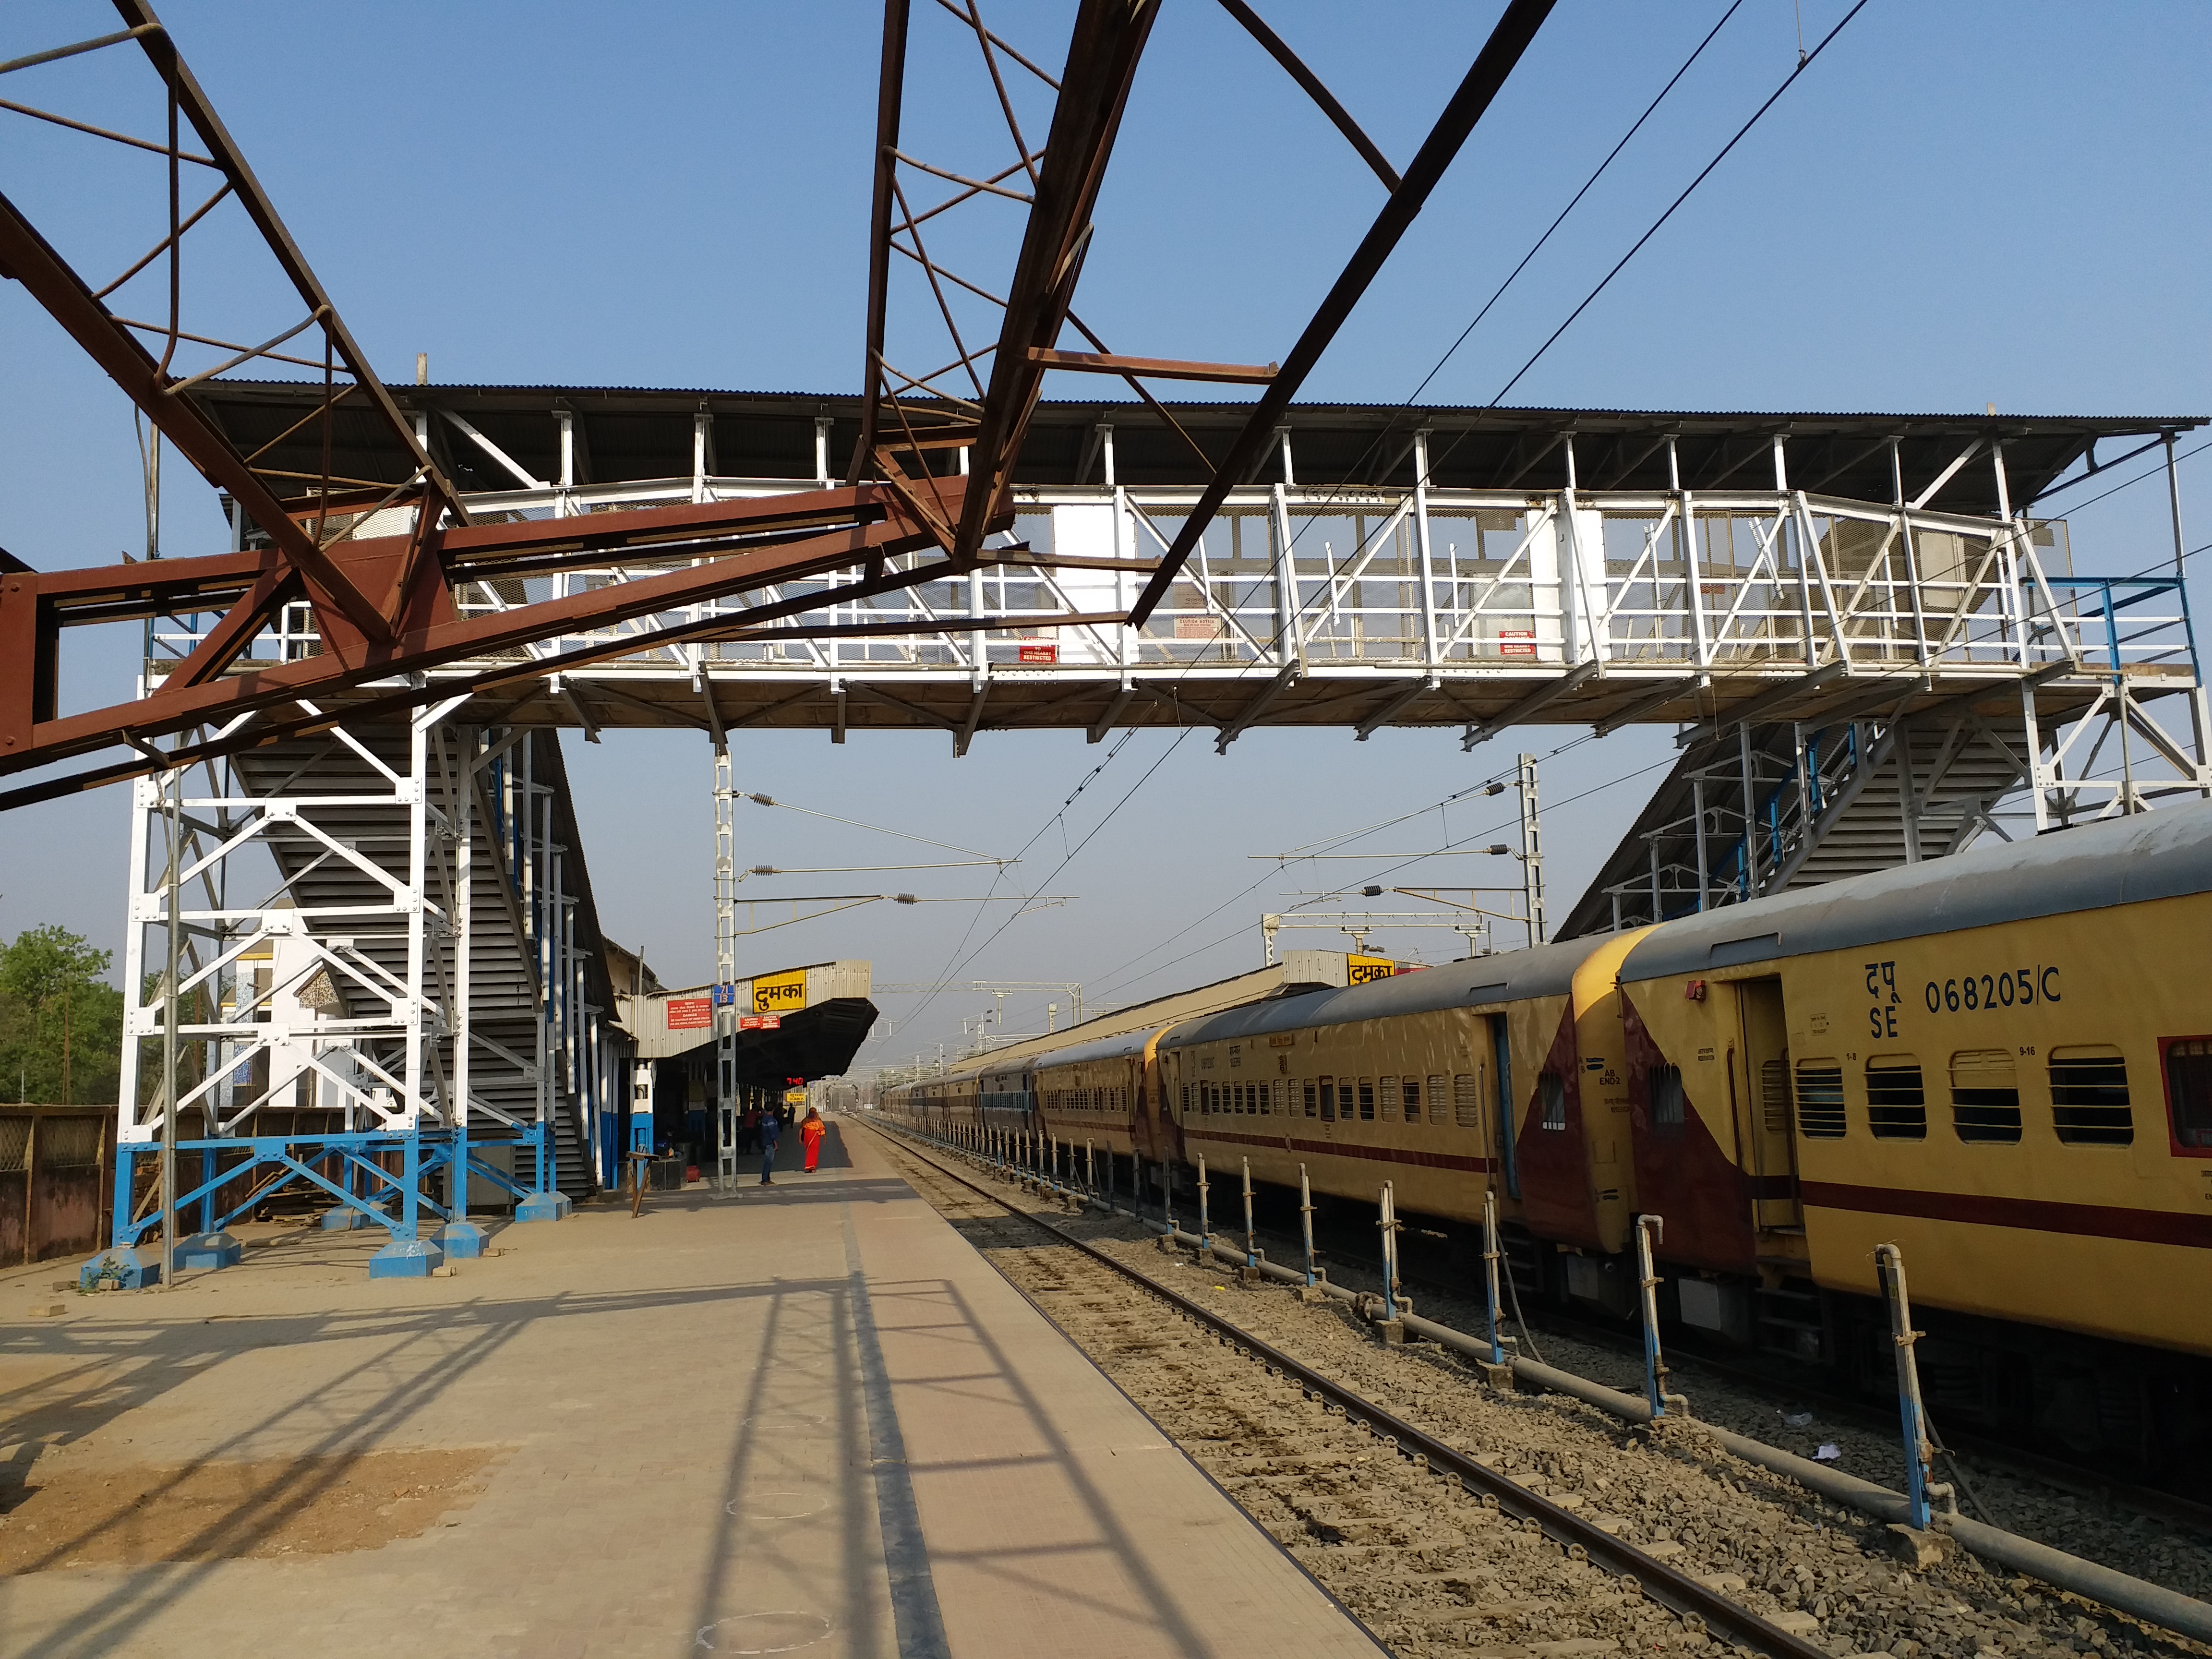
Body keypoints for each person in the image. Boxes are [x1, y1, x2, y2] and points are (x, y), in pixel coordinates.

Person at [757, 1106, 780, 1185]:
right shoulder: (771, 1120)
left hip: (765, 1141)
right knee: (769, 1161)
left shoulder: (764, 1119)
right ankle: (765, 1179)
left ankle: (767, 1178)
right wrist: (776, 1144)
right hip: (770, 1142)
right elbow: (773, 1133)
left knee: (768, 1161)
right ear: (773, 1110)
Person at [800, 1106, 824, 1174]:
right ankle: (810, 1167)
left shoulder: (818, 1120)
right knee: (810, 1152)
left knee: (814, 1153)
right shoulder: (806, 1120)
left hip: (815, 1139)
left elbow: (821, 1129)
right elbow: (801, 1129)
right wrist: (800, 1139)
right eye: (812, 1112)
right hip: (808, 1139)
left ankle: (812, 1167)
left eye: (814, 1112)